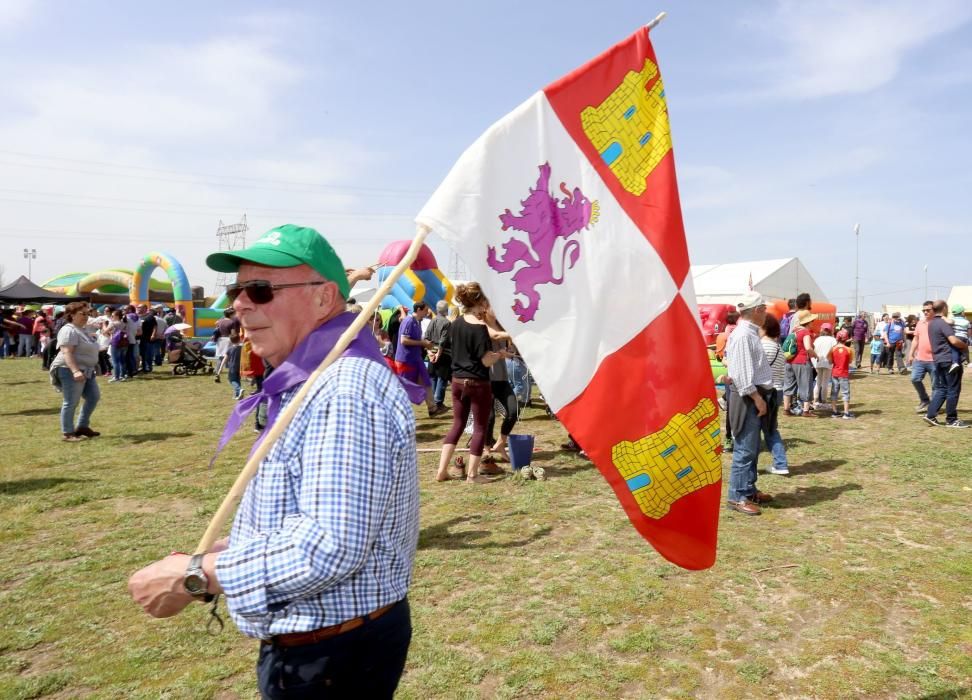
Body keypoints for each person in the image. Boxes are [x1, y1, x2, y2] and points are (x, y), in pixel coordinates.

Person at [129, 224, 419, 698]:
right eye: (236, 290)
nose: (238, 304)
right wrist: (233, 547)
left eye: (260, 290)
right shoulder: (313, 377)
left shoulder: (343, 389)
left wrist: (194, 577)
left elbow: (327, 547)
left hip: (330, 657)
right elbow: (311, 515)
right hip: (325, 646)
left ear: (324, 299)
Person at [435, 282, 512, 484]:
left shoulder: (455, 323)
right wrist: (500, 355)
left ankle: (442, 470)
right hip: (478, 383)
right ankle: (472, 475)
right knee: (479, 428)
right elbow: (485, 360)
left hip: (457, 381)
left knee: (457, 425)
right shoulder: (479, 328)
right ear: (480, 301)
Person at [724, 291, 775, 515]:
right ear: (757, 311)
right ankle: (737, 495)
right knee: (745, 447)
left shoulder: (747, 333)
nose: (766, 314)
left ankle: (747, 488)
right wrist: (757, 398)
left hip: (752, 394)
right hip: (748, 396)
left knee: (752, 446)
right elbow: (743, 375)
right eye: (764, 309)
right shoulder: (744, 335)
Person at [49, 302, 102, 442]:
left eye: (87, 313)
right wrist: (75, 371)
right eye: (82, 314)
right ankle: (67, 433)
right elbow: (67, 352)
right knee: (71, 401)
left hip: (87, 370)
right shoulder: (69, 330)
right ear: (71, 315)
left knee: (93, 397)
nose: (86, 316)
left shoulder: (82, 330)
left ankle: (82, 427)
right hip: (69, 369)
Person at [923, 300, 969, 428]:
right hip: (949, 360)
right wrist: (965, 345)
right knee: (953, 389)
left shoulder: (931, 323)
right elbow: (953, 340)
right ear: (944, 308)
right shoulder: (943, 323)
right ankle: (951, 419)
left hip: (938, 360)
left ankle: (930, 415)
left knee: (942, 389)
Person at [393, 302, 442, 417]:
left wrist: (427, 347)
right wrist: (423, 343)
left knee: (426, 381)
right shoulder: (409, 321)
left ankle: (432, 408)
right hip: (405, 360)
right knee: (403, 387)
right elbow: (403, 340)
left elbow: (417, 339)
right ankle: (398, 412)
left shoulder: (417, 322)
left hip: (416, 359)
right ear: (419, 310)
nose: (427, 312)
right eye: (425, 310)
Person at [758, 313, 789, 476]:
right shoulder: (777, 347)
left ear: (764, 327)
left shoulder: (762, 345)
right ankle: (781, 463)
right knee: (771, 429)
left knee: (754, 430)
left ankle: (751, 467)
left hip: (764, 392)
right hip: (777, 391)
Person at [423, 300, 452, 414]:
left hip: (431, 351)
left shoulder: (432, 320)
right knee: (442, 378)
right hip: (443, 353)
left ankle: (433, 404)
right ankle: (438, 403)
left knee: (433, 376)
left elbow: (426, 337)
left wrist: (430, 353)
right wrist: (437, 354)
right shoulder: (446, 323)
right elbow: (443, 341)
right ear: (446, 310)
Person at [789, 309, 818, 417]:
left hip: (792, 361)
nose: (813, 323)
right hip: (803, 361)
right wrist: (815, 355)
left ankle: (788, 408)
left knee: (791, 385)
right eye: (812, 321)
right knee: (806, 385)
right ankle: (806, 411)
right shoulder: (805, 332)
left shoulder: (794, 330)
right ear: (809, 322)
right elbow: (808, 348)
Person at [828, 330, 855, 419]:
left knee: (834, 392)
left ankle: (834, 411)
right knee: (845, 393)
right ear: (846, 339)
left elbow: (830, 360)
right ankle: (846, 413)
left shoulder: (833, 348)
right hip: (844, 373)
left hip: (835, 372)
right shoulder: (848, 350)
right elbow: (850, 361)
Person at [811, 323, 837, 410]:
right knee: (825, 382)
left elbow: (813, 350)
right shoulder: (833, 340)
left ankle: (815, 401)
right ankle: (824, 401)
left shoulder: (818, 339)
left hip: (818, 362)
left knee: (818, 381)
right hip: (828, 362)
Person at [212, 308, 240, 383]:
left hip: (220, 340)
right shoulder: (231, 322)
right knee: (230, 357)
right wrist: (237, 339)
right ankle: (232, 374)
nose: (235, 315)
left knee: (221, 357)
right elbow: (233, 333)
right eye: (234, 314)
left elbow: (216, 325)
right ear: (230, 314)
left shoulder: (220, 321)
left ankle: (217, 372)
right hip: (228, 340)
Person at [948, 304, 969, 373]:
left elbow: (949, 324)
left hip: (956, 337)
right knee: (963, 348)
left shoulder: (952, 320)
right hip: (964, 337)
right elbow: (969, 331)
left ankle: (955, 362)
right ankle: (965, 359)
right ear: (962, 312)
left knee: (954, 349)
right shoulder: (966, 321)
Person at [225, 329, 244, 400]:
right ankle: (237, 395)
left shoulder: (230, 349)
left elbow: (225, 359)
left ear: (230, 340)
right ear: (239, 339)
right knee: (237, 379)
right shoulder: (242, 348)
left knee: (232, 380)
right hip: (240, 367)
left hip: (232, 367)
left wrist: (219, 369)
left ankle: (239, 390)